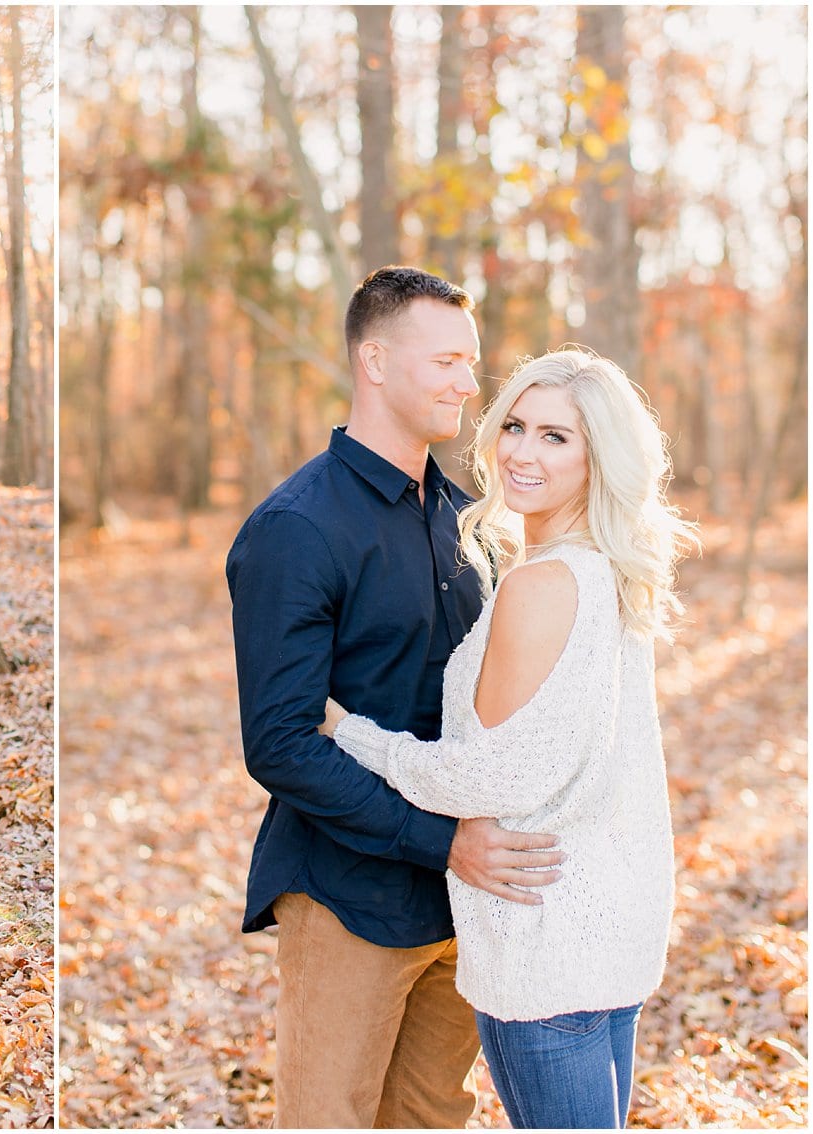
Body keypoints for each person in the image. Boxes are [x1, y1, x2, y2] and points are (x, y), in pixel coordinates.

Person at [225, 266, 567, 1128]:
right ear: (373, 362)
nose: (467, 382)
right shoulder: (295, 529)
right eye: (445, 360)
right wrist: (440, 840)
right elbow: (280, 743)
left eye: (470, 361)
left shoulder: (469, 525)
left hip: (465, 902)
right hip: (350, 896)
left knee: (427, 1121)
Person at [320, 348, 694, 1128]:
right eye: (515, 425)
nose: (522, 451)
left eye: (556, 437)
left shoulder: (541, 584)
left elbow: (486, 776)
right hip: (607, 932)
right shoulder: (609, 574)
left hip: (546, 939)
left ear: (600, 458)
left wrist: (353, 735)